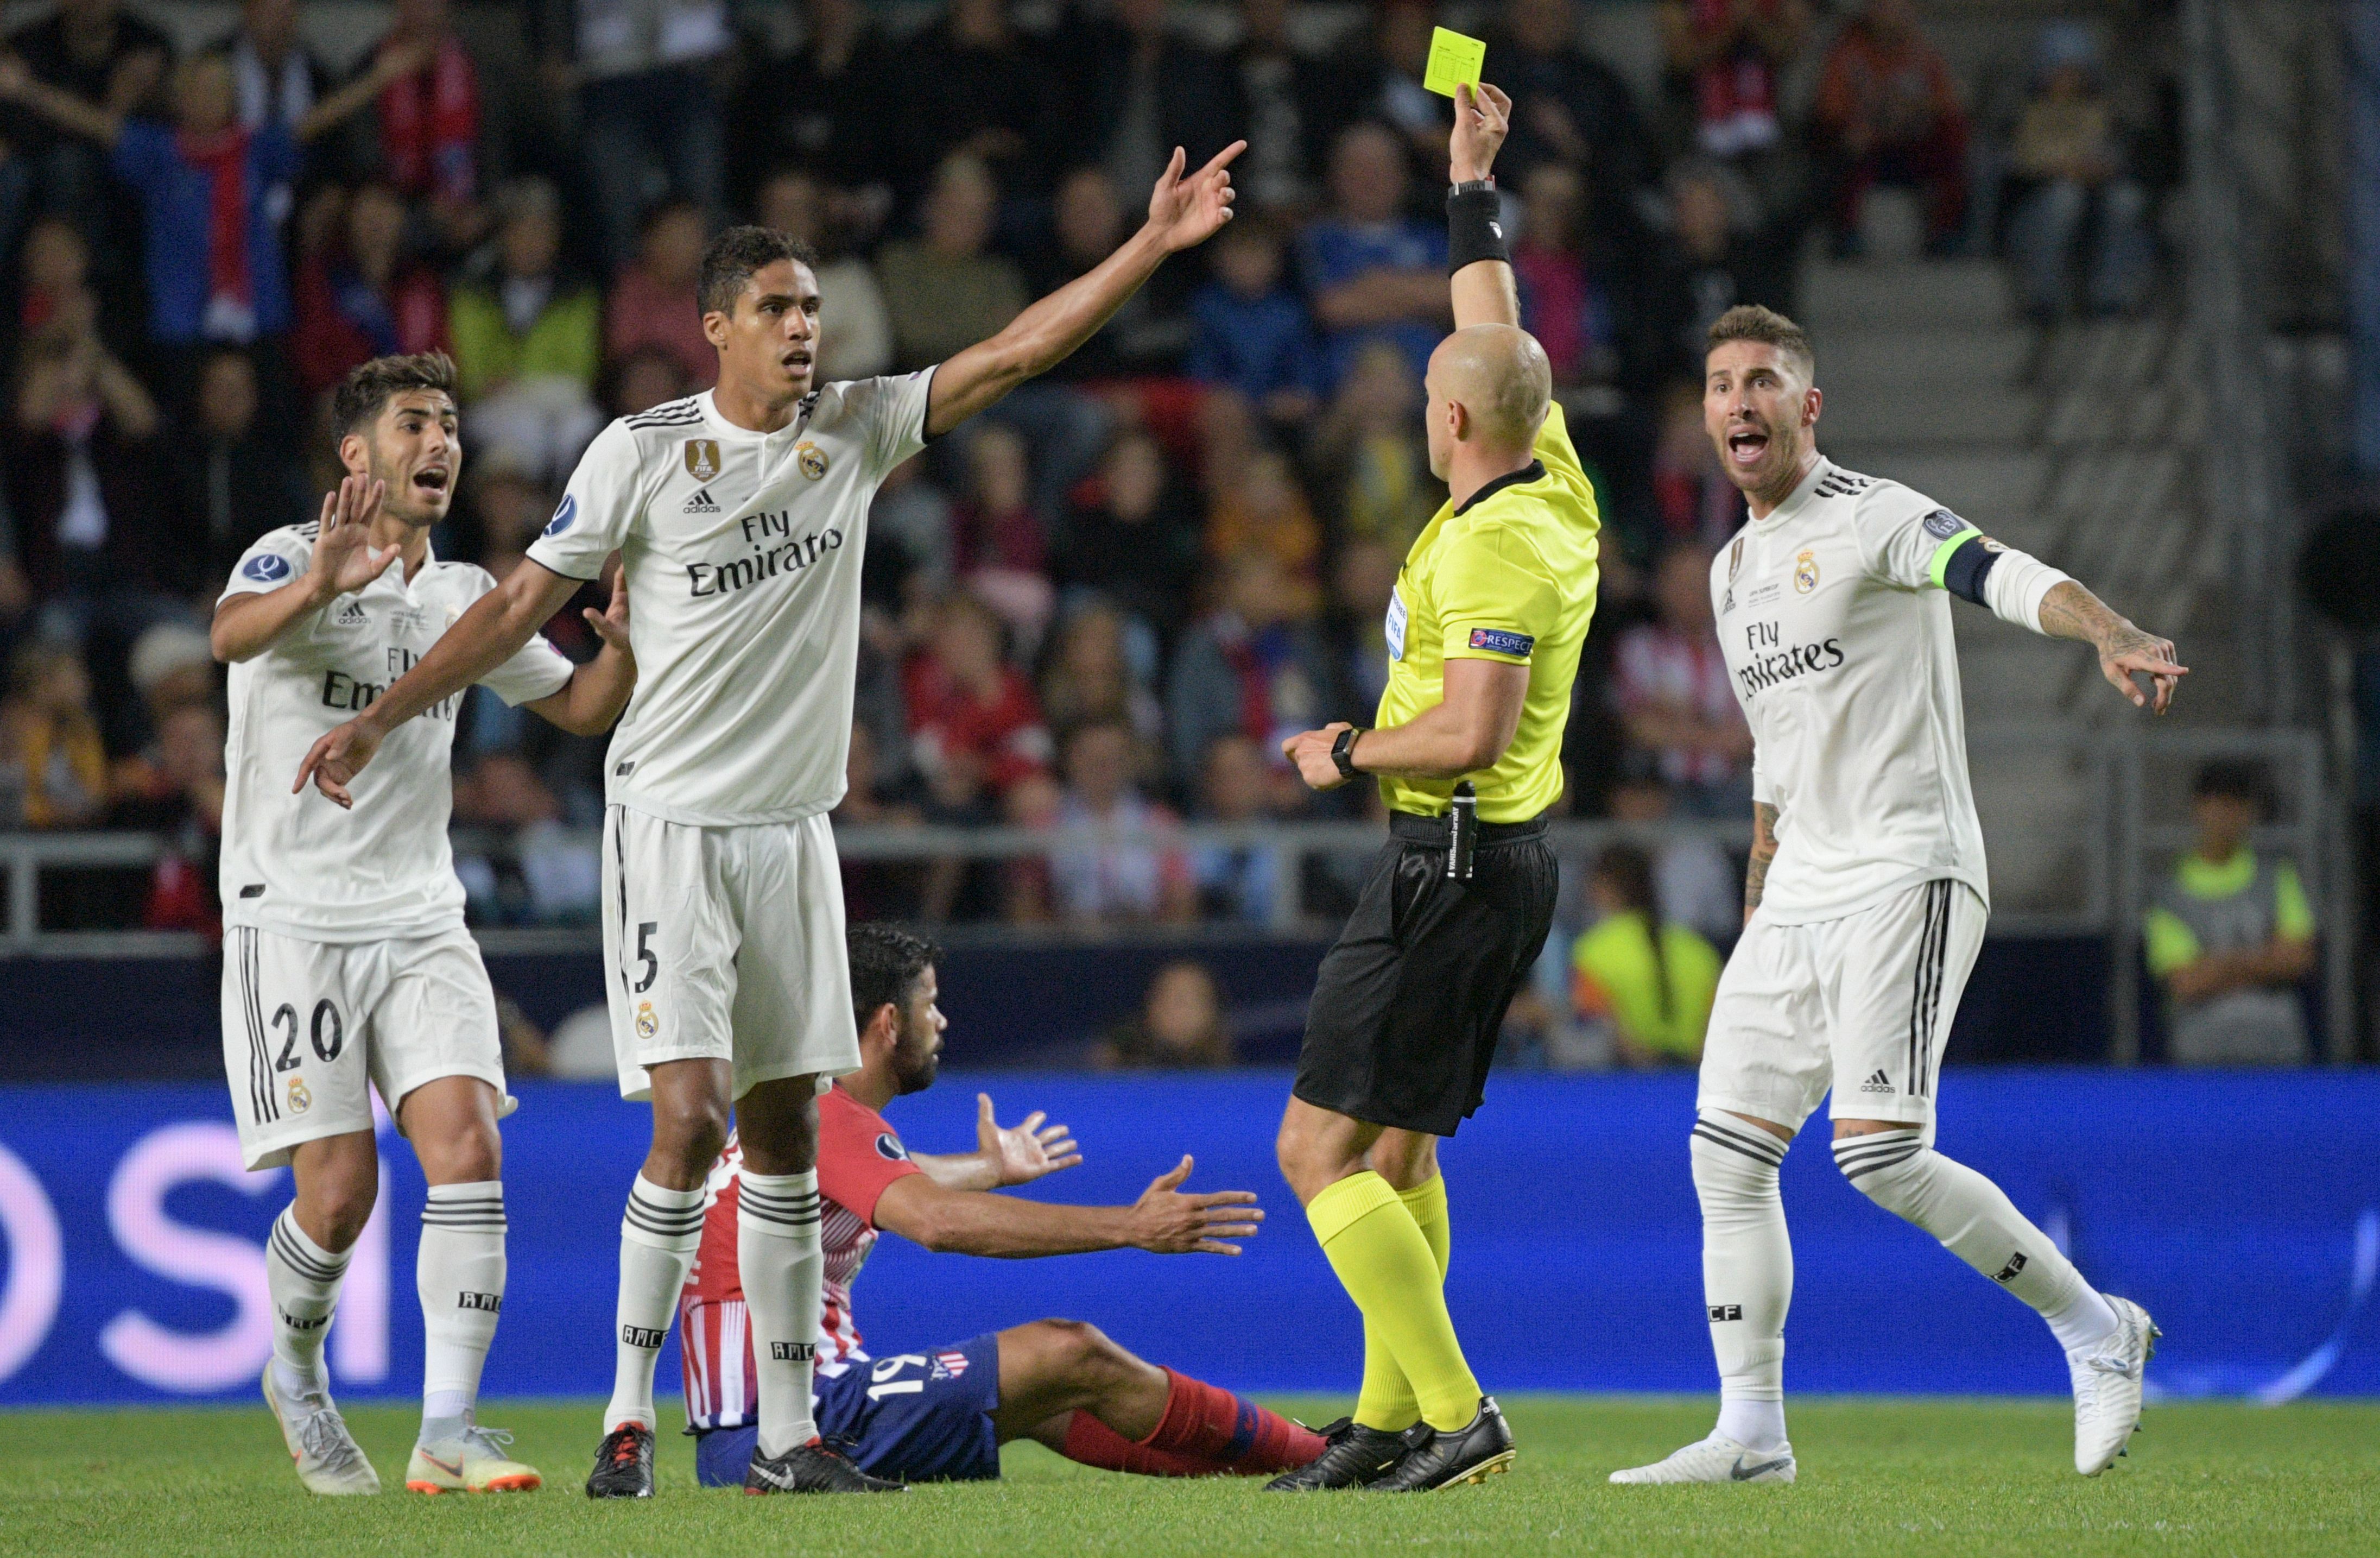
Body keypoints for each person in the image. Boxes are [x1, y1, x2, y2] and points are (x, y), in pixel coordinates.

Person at [292, 137, 1245, 1498]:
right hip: (672, 826)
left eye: (815, 310)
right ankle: (627, 1419)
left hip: (795, 831)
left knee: (789, 1129)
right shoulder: (641, 454)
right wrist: (384, 717)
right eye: (783, 311)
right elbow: (514, 607)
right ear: (720, 327)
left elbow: (1016, 353)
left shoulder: (851, 428)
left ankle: (791, 1437)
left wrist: (1148, 245)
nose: (808, 329)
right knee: (688, 1118)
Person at [1607, 303, 2183, 1487]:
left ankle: (2094, 1327)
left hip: (1906, 869)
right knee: (1724, 1154)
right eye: (1719, 384)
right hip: (1800, 886)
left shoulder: (1871, 517)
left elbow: (1993, 571)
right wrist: (1763, 871)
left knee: (1875, 1156)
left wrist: (2102, 628)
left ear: (1804, 406)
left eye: (1760, 381)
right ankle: (1751, 1434)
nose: (1737, 402)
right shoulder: (1727, 570)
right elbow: (1775, 736)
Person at [211, 352, 636, 1497]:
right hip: (290, 917)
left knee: (467, 1146)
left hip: (420, 916)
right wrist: (319, 587)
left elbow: (585, 707)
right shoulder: (289, 555)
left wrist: (627, 640)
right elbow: (230, 639)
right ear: (357, 454)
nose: (440, 443)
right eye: (413, 424)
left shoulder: (462, 601)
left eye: (449, 424)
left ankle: (446, 1431)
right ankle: (295, 1374)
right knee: (339, 1194)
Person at [1274, 83, 1600, 1493]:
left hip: (1450, 858)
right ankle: (1385, 1419)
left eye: (1427, 395)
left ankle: (1458, 1407)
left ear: (1456, 415)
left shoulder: (1489, 555)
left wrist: (1340, 750)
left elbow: (1470, 727)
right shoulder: (1553, 474)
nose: (1422, 401)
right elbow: (1493, 321)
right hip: (1485, 864)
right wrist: (1470, 182)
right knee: (1398, 1150)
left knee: (1315, 1148)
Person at [684, 925, 1311, 1484]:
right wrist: (1131, 1224)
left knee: (1050, 1395)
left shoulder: (796, 1119)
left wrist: (989, 1169)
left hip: (759, 1429)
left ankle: (1288, 1460)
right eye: (931, 1005)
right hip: (790, 1428)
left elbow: (904, 1177)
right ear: (889, 1023)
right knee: (1069, 1349)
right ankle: (1315, 1454)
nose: (943, 1022)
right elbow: (935, 1220)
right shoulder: (829, 1116)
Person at [2145, 760, 2316, 1066]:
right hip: (2201, 1051)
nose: (2227, 815)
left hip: (2278, 1049)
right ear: (2199, 808)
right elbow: (2185, 982)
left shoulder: (2276, 876)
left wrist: (2217, 966)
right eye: (2219, 804)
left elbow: (2298, 959)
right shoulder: (2170, 893)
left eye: (2237, 804)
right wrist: (2262, 961)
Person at [1570, 843, 1720, 1068]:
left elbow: (1595, 1028)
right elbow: (1718, 1029)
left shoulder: (1593, 951)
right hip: (1696, 1081)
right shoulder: (1699, 951)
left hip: (1626, 1082)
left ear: (1604, 887)